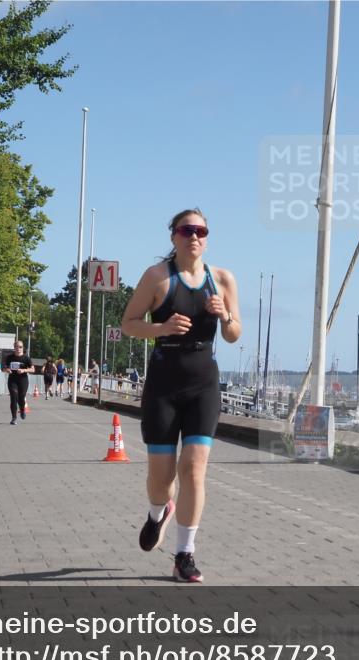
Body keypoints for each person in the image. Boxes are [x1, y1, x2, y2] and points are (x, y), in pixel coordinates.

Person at [121, 208, 241, 583]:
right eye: (187, 230)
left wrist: (225, 317)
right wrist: (163, 326)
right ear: (173, 235)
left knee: (193, 470)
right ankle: (158, 512)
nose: (194, 236)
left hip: (203, 383)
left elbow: (235, 334)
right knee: (162, 477)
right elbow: (128, 325)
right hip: (163, 384)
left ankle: (184, 554)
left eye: (201, 230)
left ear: (207, 236)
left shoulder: (222, 279)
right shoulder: (157, 277)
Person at [3, 340, 34, 425]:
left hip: (23, 380)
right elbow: (4, 368)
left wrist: (24, 370)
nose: (18, 349)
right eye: (17, 347)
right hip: (12, 380)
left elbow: (33, 369)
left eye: (20, 347)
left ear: (23, 348)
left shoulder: (26, 358)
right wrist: (7, 370)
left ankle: (22, 409)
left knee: (21, 397)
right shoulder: (9, 357)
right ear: (14, 348)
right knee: (13, 397)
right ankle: (14, 418)